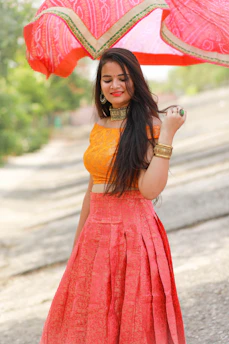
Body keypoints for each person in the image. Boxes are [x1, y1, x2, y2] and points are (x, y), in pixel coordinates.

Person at [39, 48, 187, 344]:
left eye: (123, 78)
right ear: (100, 87)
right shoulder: (99, 128)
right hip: (96, 235)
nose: (115, 85)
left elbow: (149, 190)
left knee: (134, 316)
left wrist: (167, 135)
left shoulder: (150, 126)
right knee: (90, 315)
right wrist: (78, 243)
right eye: (107, 79)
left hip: (134, 234)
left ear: (136, 81)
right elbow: (91, 188)